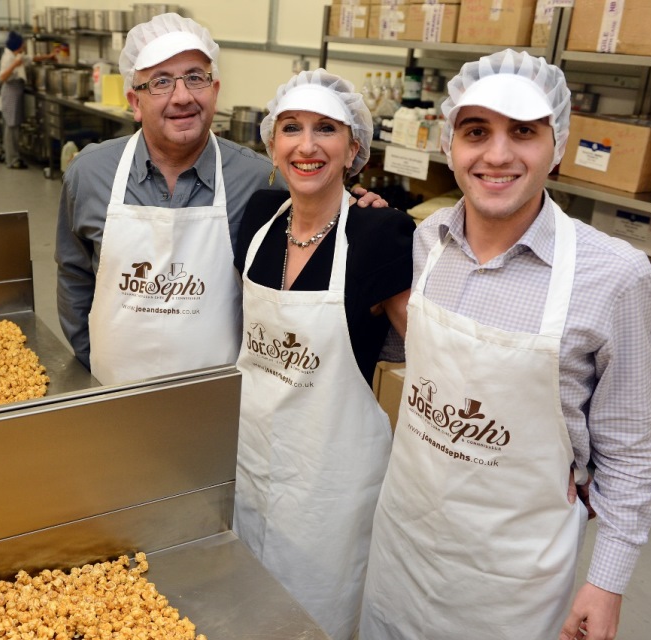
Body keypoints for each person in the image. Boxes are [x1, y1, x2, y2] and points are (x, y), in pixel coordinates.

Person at [360, 49, 651, 640]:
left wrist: (606, 583)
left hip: (510, 581)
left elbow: (630, 451)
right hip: (403, 542)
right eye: (477, 132)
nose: (497, 156)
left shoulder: (614, 277)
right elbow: (419, 359)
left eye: (523, 132)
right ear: (449, 144)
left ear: (558, 142)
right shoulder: (428, 243)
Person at [54, 12, 384, 385]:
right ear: (135, 101)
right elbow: (74, 274)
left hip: (223, 405)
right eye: (161, 82)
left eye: (195, 77)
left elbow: (315, 231)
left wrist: (359, 212)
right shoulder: (91, 173)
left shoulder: (260, 182)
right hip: (110, 392)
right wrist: (90, 357)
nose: (182, 97)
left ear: (214, 89)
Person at [233, 69, 414, 640]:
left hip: (329, 486)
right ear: (272, 143)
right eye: (291, 128)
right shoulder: (259, 218)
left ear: (354, 147)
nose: (306, 146)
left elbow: (434, 359)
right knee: (240, 604)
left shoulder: (380, 232)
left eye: (326, 130)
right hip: (249, 460)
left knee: (315, 617)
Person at [0, 31, 30, 170]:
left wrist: (49, 56)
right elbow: (1, 77)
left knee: (11, 126)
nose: (23, 47)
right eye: (22, 45)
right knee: (12, 128)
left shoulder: (14, 55)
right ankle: (13, 159)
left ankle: (9, 155)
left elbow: (30, 59)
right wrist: (15, 64)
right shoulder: (9, 58)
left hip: (14, 92)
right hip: (11, 92)